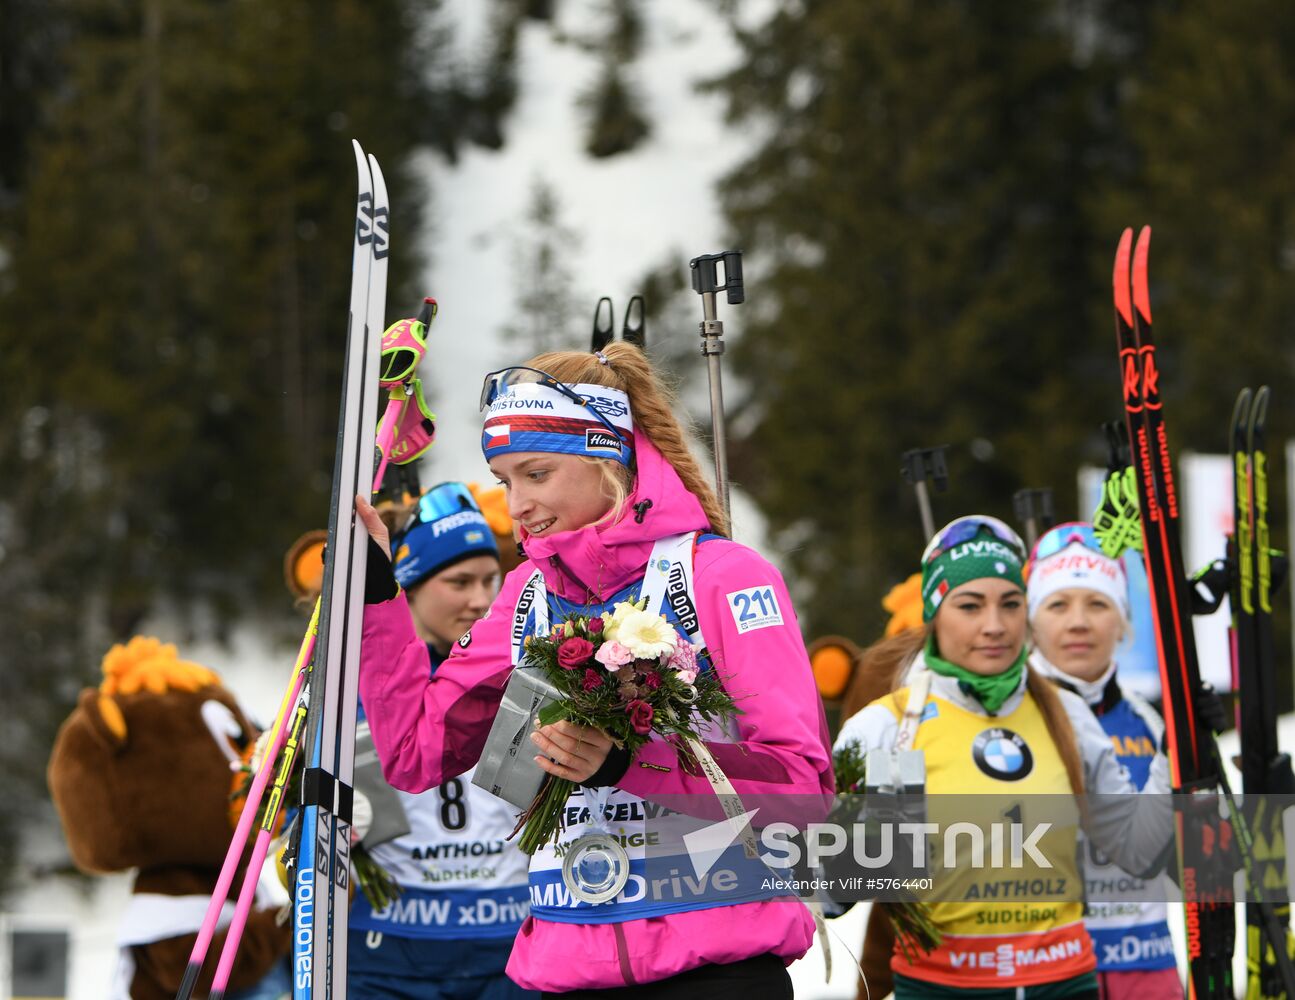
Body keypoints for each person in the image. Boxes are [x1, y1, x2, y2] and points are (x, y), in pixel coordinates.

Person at [356, 342, 833, 996]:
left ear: (605, 454)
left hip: (714, 965)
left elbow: (802, 794)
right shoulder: (526, 593)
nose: (516, 504)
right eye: (504, 480)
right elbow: (415, 754)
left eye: (537, 473)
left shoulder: (721, 577)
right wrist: (378, 597)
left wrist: (627, 763)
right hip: (569, 966)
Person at [834, 515, 1171, 1000]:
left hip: (1064, 984)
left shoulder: (1065, 714)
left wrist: (1173, 751)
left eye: (1010, 605)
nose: (993, 626)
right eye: (969, 606)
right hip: (942, 987)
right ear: (935, 612)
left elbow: (1139, 851)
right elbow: (828, 894)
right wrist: (875, 848)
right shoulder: (886, 727)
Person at [349, 482, 538, 1000]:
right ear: (409, 586)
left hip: (506, 947)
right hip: (388, 952)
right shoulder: (356, 685)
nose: (480, 599)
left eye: (489, 580)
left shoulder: (516, 673)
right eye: (459, 582)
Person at [1026, 522, 1181, 1000]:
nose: (1078, 622)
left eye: (1097, 603)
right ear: (1031, 621)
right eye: (1058, 604)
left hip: (1145, 962)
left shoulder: (1149, 719)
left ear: (1122, 621)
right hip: (1048, 967)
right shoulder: (1013, 716)